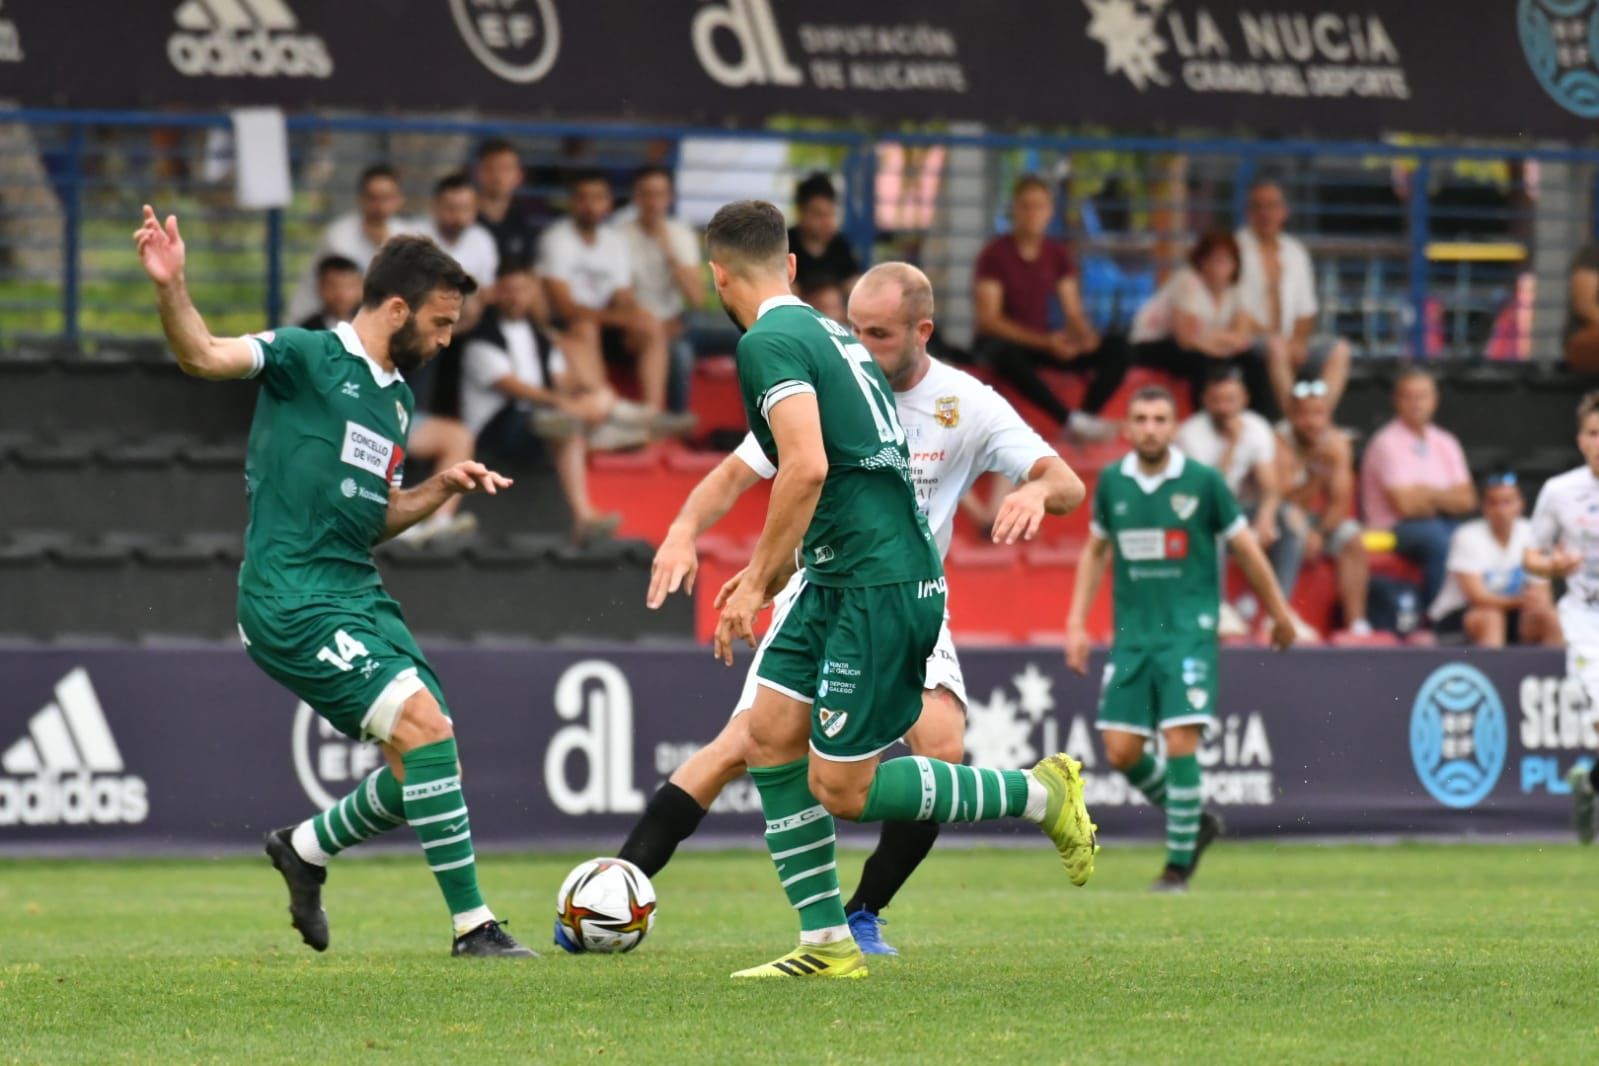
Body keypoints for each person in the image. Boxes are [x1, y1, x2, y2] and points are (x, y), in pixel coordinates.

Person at [608, 262, 1084, 958]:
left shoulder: (965, 404)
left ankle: (862, 912)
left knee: (934, 749)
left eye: (879, 333)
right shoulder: (827, 375)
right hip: (821, 583)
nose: (860, 341)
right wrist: (690, 534)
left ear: (921, 332)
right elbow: (739, 470)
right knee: (749, 743)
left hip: (897, 589)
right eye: (854, 327)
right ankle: (617, 892)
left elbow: (1065, 481)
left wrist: (1035, 494)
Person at [134, 208, 532, 957]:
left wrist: (441, 485)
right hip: (289, 596)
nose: (447, 339)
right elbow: (202, 354)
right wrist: (172, 285)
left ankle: (307, 849)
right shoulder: (306, 355)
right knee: (426, 732)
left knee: (427, 754)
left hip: (356, 590)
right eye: (441, 323)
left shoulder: (397, 400)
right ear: (395, 308)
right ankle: (474, 928)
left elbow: (372, 519)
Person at [1065, 385, 1296, 893]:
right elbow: (1096, 552)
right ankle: (1196, 820)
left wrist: (1279, 612)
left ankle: (1176, 867)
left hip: (1188, 635)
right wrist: (1077, 623)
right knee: (1121, 751)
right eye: (1142, 419)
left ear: (1174, 428)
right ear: (1127, 428)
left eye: (1161, 419)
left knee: (1179, 740)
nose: (1150, 428)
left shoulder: (1203, 482)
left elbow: (1246, 549)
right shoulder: (1112, 484)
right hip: (1132, 638)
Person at [461, 259, 628, 543]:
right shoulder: (481, 337)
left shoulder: (539, 336)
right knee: (566, 421)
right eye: (509, 290)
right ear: (496, 292)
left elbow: (561, 380)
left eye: (522, 289)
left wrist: (589, 390)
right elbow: (515, 388)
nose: (516, 298)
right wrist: (565, 403)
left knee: (579, 414)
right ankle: (585, 508)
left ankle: (585, 510)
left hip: (537, 422)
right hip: (496, 430)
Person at [973, 175, 1127, 442]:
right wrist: (1046, 342)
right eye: (1026, 206)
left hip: (1042, 343)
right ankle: (1067, 420)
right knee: (1005, 354)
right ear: (1015, 210)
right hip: (1006, 345)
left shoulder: (1056, 254)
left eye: (1039, 206)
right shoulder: (994, 254)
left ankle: (1084, 418)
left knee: (1119, 348)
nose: (1032, 213)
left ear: (1050, 212)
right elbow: (989, 320)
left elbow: (1073, 311)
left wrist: (1083, 337)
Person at [540, 170, 690, 431]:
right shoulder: (557, 239)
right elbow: (565, 309)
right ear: (572, 202)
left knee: (648, 322)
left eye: (598, 198)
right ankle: (605, 415)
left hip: (604, 325)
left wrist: (633, 316)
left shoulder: (614, 240)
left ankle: (650, 415)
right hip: (568, 329)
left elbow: (623, 297)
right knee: (585, 326)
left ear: (609, 203)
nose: (590, 205)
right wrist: (616, 316)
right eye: (583, 198)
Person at [1175, 367, 1315, 640]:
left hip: (1237, 511)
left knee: (1290, 518)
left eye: (1231, 400)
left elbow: (1270, 486)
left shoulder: (1256, 426)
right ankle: (1218, 607)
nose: (1224, 408)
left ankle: (1279, 613)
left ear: (1245, 399)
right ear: (1205, 401)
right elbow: (1211, 493)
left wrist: (1266, 515)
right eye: (1218, 401)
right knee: (1211, 519)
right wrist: (1232, 444)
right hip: (1196, 512)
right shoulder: (1191, 434)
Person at [1526, 395, 1599, 838]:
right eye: (1593, 433)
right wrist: (1549, 568)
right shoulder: (1559, 491)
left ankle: (1589, 784)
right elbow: (1530, 554)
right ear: (1580, 440)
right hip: (1586, 619)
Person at [1358, 367, 1477, 612]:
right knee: (1438, 540)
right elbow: (1406, 506)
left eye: (1422, 396)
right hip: (1391, 527)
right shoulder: (1386, 442)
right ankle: (1437, 617)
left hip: (1441, 523)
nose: (1415, 403)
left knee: (1472, 538)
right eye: (1408, 396)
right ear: (1395, 400)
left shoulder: (1446, 441)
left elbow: (1467, 500)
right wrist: (1444, 496)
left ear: (1434, 400)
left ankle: (1474, 614)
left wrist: (1425, 492)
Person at [1235, 178, 1352, 415]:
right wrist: (1277, 341)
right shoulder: (1235, 249)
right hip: (1251, 340)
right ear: (1249, 212)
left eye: (1272, 206)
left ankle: (1317, 421)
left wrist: (1298, 343)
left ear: (1284, 212)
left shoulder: (1295, 252)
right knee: (1277, 347)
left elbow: (1306, 311)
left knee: (1340, 349)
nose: (1266, 213)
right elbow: (1237, 311)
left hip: (1289, 340)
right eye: (1259, 206)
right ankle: (1295, 422)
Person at [1133, 229, 1276, 418]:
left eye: (1225, 260)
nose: (1219, 267)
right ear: (1202, 261)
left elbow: (1241, 337)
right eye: (1214, 260)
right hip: (1153, 344)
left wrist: (1218, 342)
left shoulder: (1235, 291)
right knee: (1202, 363)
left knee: (1253, 361)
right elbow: (1185, 339)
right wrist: (1221, 344)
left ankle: (1260, 421)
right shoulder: (1187, 281)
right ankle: (1203, 419)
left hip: (1205, 347)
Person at [1277, 379, 1372, 635]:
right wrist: (1317, 472)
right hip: (1281, 518)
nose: (1311, 422)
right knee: (1291, 520)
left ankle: (1357, 624)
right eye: (1304, 414)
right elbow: (1284, 499)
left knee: (1351, 535)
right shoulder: (1280, 440)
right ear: (1292, 416)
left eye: (1318, 414)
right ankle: (1279, 614)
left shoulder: (1337, 443)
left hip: (1315, 521)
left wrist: (1319, 532)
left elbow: (1340, 502)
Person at [1429, 473, 1560, 646]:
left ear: (1520, 504)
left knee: (1548, 614)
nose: (1500, 510)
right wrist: (1523, 600)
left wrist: (1535, 601)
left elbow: (1542, 593)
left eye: (1507, 502)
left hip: (1514, 613)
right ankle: (1496, 672)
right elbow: (1477, 597)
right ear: (1484, 507)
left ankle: (1554, 673)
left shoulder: (1532, 533)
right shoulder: (1467, 535)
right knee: (1491, 616)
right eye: (1493, 503)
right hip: (1459, 614)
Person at [616, 165, 703, 412]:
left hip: (676, 320)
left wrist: (669, 253)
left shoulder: (680, 234)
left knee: (747, 334)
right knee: (681, 353)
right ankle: (676, 424)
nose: (654, 202)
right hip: (638, 325)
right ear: (636, 197)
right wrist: (655, 325)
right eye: (647, 194)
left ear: (669, 198)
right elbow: (621, 298)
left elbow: (696, 297)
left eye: (660, 194)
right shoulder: (618, 235)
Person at [287, 164, 418, 322]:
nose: (380, 206)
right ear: (361, 199)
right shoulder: (338, 236)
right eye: (373, 198)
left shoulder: (409, 237)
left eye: (386, 198)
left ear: (399, 200)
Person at [419, 172, 499, 293]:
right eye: (451, 208)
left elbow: (487, 289)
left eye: (465, 209)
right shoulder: (415, 237)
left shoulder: (483, 239)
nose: (458, 216)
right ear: (435, 206)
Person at [789, 172, 861, 293]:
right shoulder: (786, 246)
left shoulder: (840, 246)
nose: (827, 222)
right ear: (801, 213)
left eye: (830, 214)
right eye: (819, 215)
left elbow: (853, 284)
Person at [473, 138, 539, 267]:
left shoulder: (524, 221)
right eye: (491, 168)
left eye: (506, 169)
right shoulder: (461, 220)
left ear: (519, 176)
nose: (497, 176)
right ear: (478, 173)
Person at [295, 255, 363, 331]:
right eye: (333, 286)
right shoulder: (306, 330)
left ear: (361, 289)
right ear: (319, 287)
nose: (341, 295)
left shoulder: (371, 327)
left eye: (349, 286)